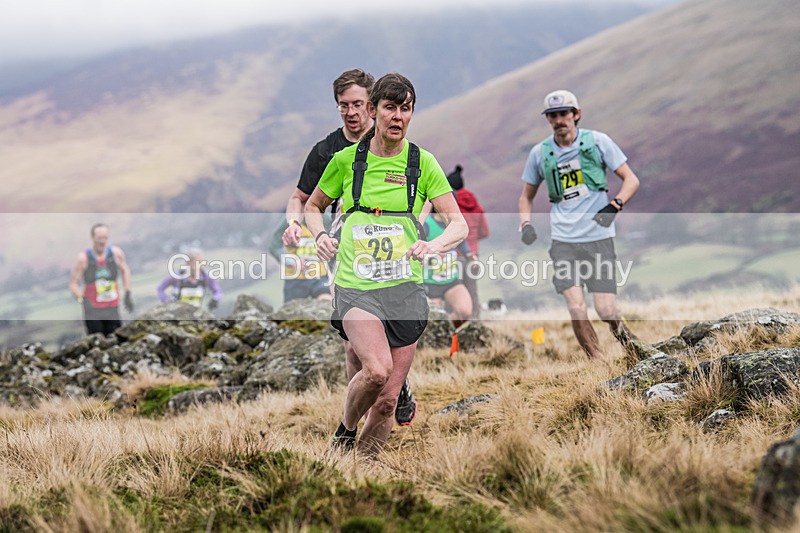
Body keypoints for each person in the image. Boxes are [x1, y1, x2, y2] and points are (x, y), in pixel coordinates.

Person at [305, 72, 468, 455]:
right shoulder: (347, 161)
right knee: (375, 371)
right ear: (374, 111)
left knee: (388, 401)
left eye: (405, 109)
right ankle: (344, 433)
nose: (398, 116)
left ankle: (363, 474)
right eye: (390, 108)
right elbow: (313, 206)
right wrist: (321, 236)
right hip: (357, 284)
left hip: (405, 290)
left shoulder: (422, 163)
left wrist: (434, 244)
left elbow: (458, 223)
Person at [280, 68, 418, 426]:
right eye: (343, 106)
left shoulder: (393, 138)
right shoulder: (327, 151)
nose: (351, 112)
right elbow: (301, 198)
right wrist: (296, 226)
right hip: (343, 254)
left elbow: (422, 187)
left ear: (371, 106)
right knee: (353, 345)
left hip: (392, 257)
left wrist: (416, 226)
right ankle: (361, 411)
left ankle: (391, 389)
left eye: (357, 104)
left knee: (385, 336)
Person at [518, 89, 641, 360]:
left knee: (606, 309)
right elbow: (526, 197)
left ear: (577, 114)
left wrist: (614, 205)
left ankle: (633, 349)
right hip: (563, 240)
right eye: (552, 115)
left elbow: (631, 179)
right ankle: (596, 362)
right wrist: (525, 224)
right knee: (576, 307)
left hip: (598, 236)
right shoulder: (540, 153)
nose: (559, 120)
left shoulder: (598, 142)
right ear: (548, 119)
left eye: (564, 114)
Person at [69, 223, 133, 336]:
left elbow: (125, 270)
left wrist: (127, 293)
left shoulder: (116, 254)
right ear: (93, 238)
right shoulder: (83, 258)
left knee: (116, 340)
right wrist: (82, 299)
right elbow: (73, 284)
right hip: (93, 311)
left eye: (105, 238)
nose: (102, 241)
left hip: (112, 307)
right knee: (97, 343)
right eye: (99, 238)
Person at [447, 165, 489, 318]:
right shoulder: (476, 206)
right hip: (473, 254)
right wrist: (472, 241)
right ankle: (475, 324)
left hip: (455, 254)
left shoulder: (451, 206)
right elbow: (485, 232)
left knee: (451, 291)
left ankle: (454, 328)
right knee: (472, 291)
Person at [422, 207, 473, 328]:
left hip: (451, 279)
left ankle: (447, 334)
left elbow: (462, 241)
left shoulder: (455, 225)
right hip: (430, 282)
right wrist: (433, 253)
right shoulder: (427, 225)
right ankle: (433, 339)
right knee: (432, 320)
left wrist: (469, 254)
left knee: (465, 311)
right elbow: (416, 247)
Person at [268, 217, 332, 303]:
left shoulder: (326, 219)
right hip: (295, 278)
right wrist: (293, 262)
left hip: (320, 276)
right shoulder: (288, 220)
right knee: (293, 313)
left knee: (326, 305)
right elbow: (274, 247)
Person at [156, 249, 222, 310]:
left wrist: (215, 300)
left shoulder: (206, 276)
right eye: (195, 262)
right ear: (188, 263)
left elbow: (217, 291)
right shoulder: (177, 276)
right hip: (176, 313)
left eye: (200, 262)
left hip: (195, 313)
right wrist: (167, 301)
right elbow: (160, 288)